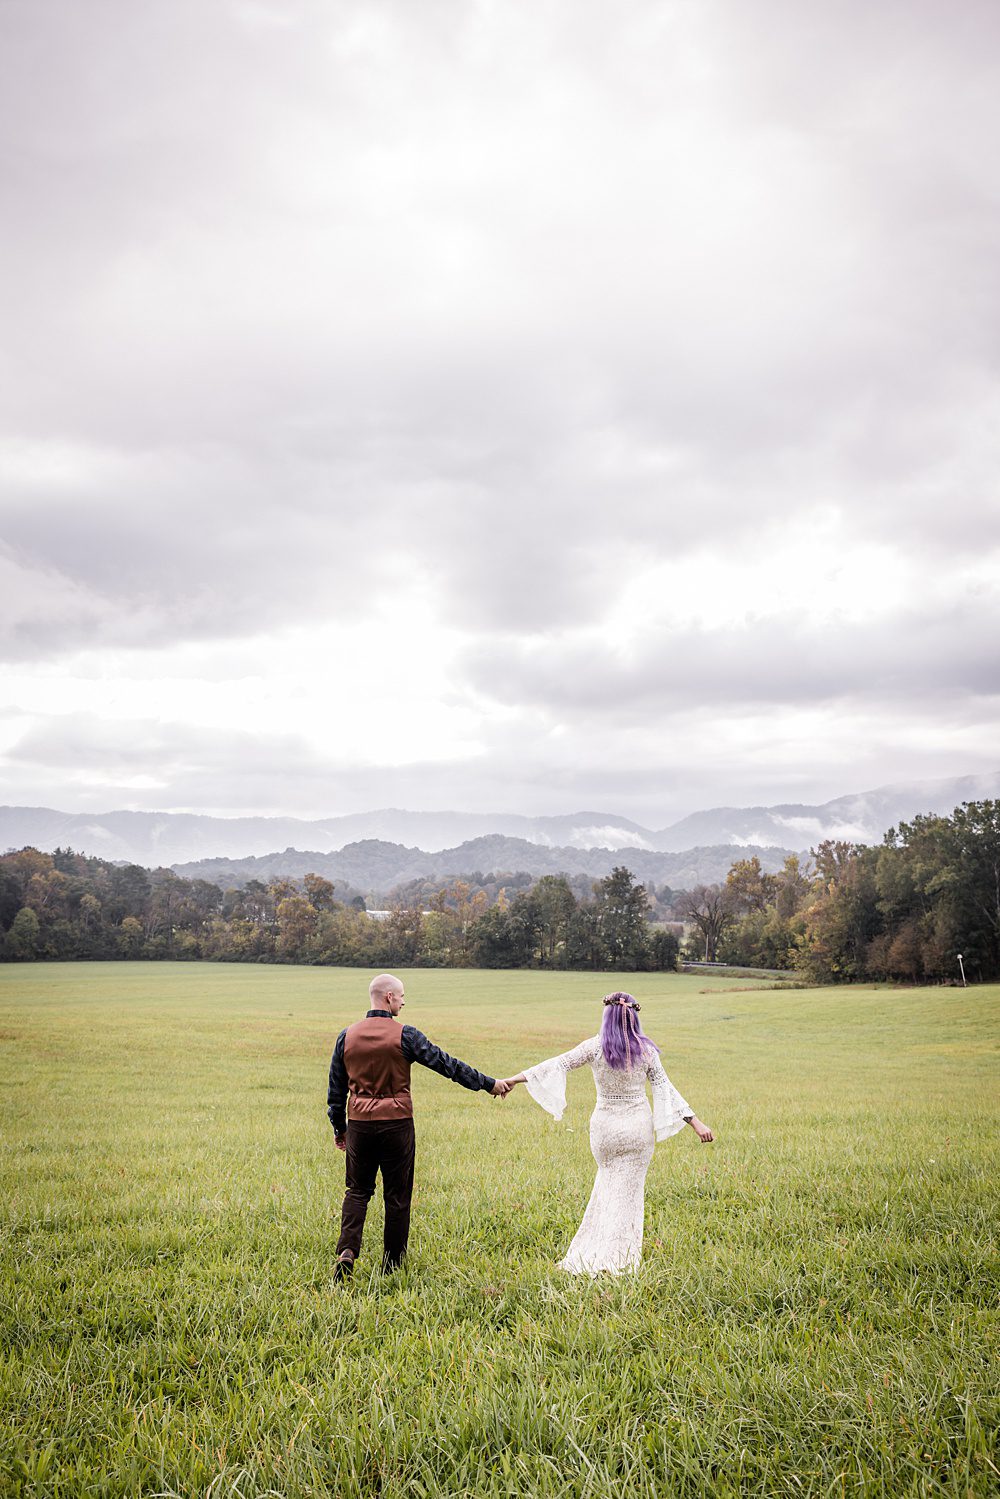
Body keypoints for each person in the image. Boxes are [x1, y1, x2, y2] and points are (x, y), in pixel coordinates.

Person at [498, 991, 713, 1274]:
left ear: (606, 1016)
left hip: (604, 1131)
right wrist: (697, 1123)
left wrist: (513, 1079)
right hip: (636, 1130)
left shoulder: (595, 1046)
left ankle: (594, 1251)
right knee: (628, 1194)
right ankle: (618, 1259)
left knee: (607, 1187)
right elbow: (665, 1088)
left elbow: (556, 1064)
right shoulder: (646, 1051)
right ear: (634, 1016)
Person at [327, 972, 508, 1279]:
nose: (403, 1001)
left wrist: (339, 1128)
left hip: (359, 1124)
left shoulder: (347, 1036)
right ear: (388, 998)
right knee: (397, 1195)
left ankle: (348, 1250)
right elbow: (448, 1065)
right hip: (397, 1124)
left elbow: (335, 1090)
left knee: (357, 1191)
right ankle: (392, 1265)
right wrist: (488, 1084)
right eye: (400, 996)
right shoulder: (405, 1035)